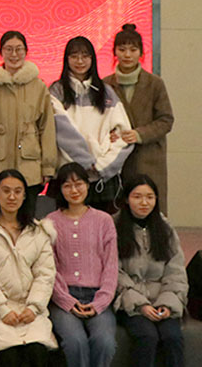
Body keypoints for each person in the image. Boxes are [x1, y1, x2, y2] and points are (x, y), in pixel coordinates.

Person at [0, 169, 57, 365]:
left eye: (17, 191)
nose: (12, 197)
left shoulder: (38, 231)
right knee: (9, 358)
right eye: (6, 191)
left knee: (38, 354)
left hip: (31, 312)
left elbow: (45, 275)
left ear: (25, 195)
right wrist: (2, 309)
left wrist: (34, 307)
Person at [44, 163, 118, 367]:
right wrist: (66, 300)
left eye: (79, 184)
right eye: (67, 186)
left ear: (87, 185)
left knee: (105, 342)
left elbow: (111, 266)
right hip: (64, 297)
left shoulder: (104, 220)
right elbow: (49, 268)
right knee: (74, 342)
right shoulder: (50, 221)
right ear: (60, 189)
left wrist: (100, 302)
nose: (74, 190)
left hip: (97, 295)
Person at [50, 36, 133, 212]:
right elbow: (62, 133)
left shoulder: (107, 92)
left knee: (103, 225)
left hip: (102, 178)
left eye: (85, 56)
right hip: (68, 176)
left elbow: (125, 136)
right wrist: (87, 164)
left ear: (92, 59)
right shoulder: (56, 91)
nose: (80, 61)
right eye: (74, 56)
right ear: (66, 59)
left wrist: (103, 166)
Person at [114, 175, 187, 367]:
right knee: (146, 336)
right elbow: (114, 272)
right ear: (126, 199)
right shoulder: (114, 227)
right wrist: (141, 305)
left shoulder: (165, 228)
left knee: (172, 337)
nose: (144, 202)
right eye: (137, 197)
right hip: (130, 301)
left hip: (163, 298)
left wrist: (167, 304)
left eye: (149, 197)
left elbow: (176, 271)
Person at [103, 24, 175, 213]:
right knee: (117, 215)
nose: (127, 55)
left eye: (133, 50)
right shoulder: (105, 85)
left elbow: (166, 120)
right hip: (116, 163)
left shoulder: (155, 84)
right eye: (122, 49)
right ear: (114, 52)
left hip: (148, 159)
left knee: (150, 213)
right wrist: (108, 135)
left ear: (142, 53)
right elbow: (98, 122)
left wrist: (139, 134)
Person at [0, 31, 57, 204]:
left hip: (30, 167)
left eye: (19, 49)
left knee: (27, 216)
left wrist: (48, 166)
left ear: (26, 52)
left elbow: (47, 128)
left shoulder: (38, 86)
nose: (14, 54)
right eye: (9, 49)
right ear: (0, 52)